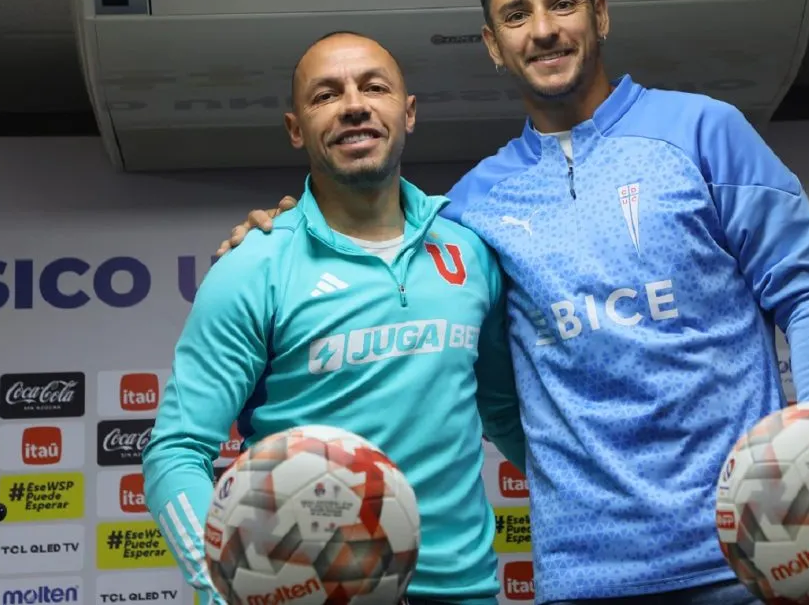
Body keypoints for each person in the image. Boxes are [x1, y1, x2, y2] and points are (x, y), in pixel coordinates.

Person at [213, 0, 809, 605]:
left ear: (600, 14)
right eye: (516, 15)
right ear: (493, 45)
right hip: (581, 574)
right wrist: (281, 233)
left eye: (563, 3)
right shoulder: (470, 207)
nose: (543, 29)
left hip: (749, 556)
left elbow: (808, 292)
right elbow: (443, 335)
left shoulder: (705, 131)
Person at [142, 31, 526, 605]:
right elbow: (175, 451)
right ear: (296, 128)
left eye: (374, 87)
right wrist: (222, 581)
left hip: (462, 593)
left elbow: (503, 410)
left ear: (409, 112)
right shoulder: (254, 267)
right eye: (326, 95)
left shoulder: (470, 252)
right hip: (306, 596)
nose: (354, 104)